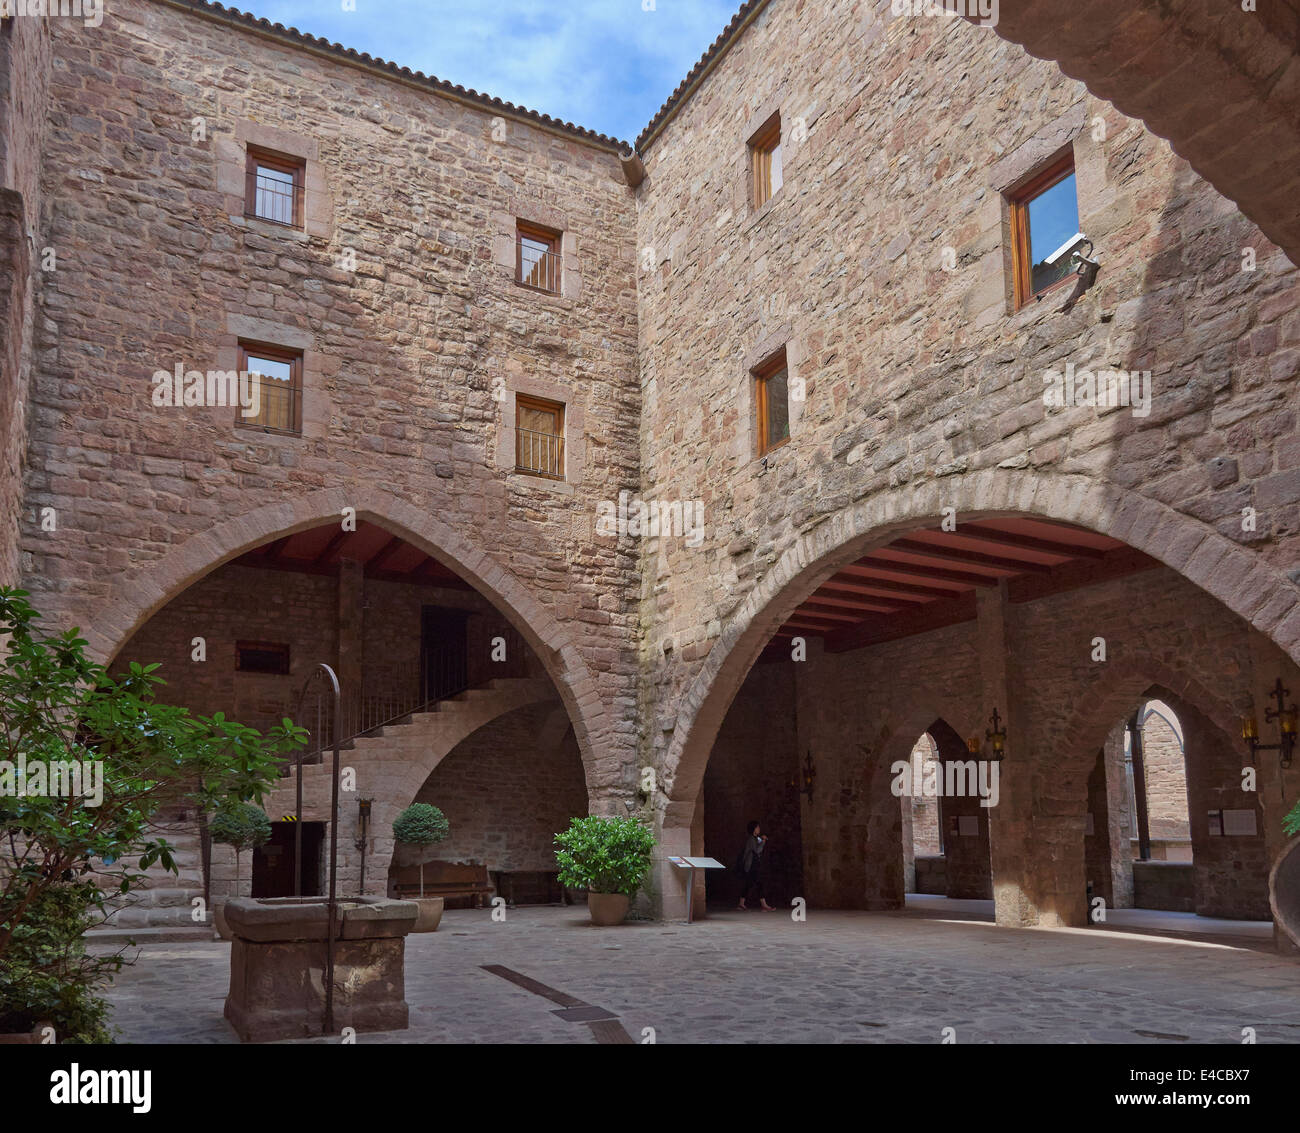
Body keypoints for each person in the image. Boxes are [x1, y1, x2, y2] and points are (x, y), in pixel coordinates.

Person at [737, 820, 775, 911]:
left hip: (754, 865)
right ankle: (763, 905)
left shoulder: (755, 838)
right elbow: (757, 850)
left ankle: (741, 904)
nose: (759, 829)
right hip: (751, 865)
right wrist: (764, 841)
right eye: (757, 827)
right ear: (754, 829)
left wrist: (761, 840)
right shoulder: (751, 839)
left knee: (749, 884)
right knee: (758, 883)